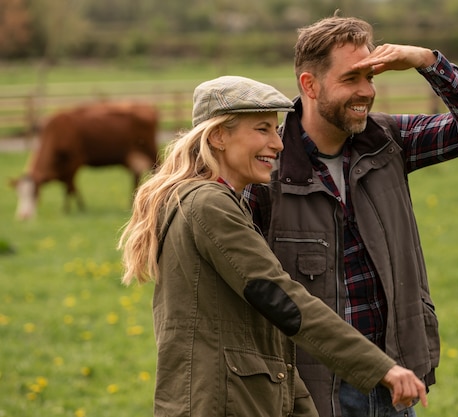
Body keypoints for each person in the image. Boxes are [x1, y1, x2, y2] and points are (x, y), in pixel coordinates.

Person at [117, 75, 428, 417]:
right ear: (219, 136)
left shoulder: (211, 200)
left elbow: (259, 325)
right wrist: (381, 368)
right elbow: (280, 297)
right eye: (262, 129)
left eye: (275, 130)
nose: (278, 144)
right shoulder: (208, 205)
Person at [243, 14, 458, 417]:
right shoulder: (267, 170)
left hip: (396, 378)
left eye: (371, 78)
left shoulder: (387, 141)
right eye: (352, 79)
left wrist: (426, 61)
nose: (367, 91)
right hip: (312, 393)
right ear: (309, 85)